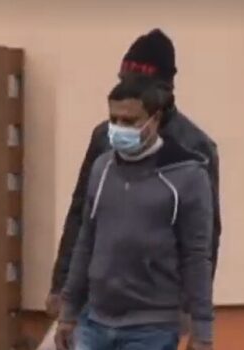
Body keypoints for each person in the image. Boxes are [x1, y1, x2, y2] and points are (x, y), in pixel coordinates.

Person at [55, 76, 214, 350]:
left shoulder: (187, 176)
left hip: (152, 329)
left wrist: (202, 328)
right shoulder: (102, 169)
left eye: (129, 121)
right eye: (113, 120)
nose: (119, 129)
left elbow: (197, 256)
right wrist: (69, 309)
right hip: (97, 321)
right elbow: (86, 239)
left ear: (154, 119)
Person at [46, 28, 220, 316]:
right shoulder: (104, 138)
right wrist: (61, 285)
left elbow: (203, 241)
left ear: (163, 90)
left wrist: (193, 310)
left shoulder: (195, 148)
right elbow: (81, 215)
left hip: (158, 309)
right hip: (98, 301)